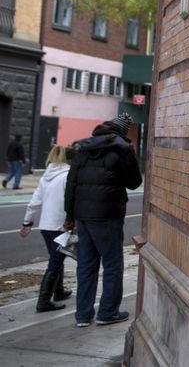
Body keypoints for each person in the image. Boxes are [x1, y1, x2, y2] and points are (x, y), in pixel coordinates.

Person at [64, 113, 142, 327]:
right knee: (112, 263)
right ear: (122, 131)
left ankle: (82, 315)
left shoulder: (82, 147)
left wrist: (69, 216)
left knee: (86, 265)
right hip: (108, 214)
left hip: (83, 215)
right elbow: (135, 182)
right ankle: (107, 312)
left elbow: (71, 184)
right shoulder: (122, 148)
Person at [20, 145, 73, 312]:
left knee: (56, 257)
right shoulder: (68, 175)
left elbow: (34, 202)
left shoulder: (46, 177)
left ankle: (59, 291)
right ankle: (43, 301)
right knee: (55, 263)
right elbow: (71, 201)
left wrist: (27, 223)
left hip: (45, 226)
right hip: (60, 226)